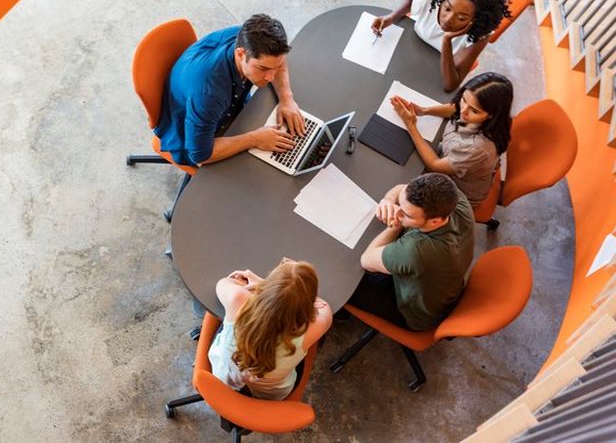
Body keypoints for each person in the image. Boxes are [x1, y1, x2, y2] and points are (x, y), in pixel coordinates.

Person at [154, 14, 306, 167]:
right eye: (263, 69)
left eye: (276, 67)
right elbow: (199, 154)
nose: (271, 77)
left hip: (224, 106)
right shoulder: (209, 94)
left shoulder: (250, 39)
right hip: (192, 134)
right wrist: (255, 139)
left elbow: (276, 60)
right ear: (240, 54)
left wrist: (287, 99)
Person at [348, 173, 474, 331]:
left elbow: (366, 260)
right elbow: (401, 189)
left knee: (344, 278)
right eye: (400, 204)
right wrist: (388, 200)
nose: (399, 212)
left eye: (406, 214)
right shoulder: (453, 198)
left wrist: (396, 223)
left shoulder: (417, 250)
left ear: (435, 221)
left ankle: (342, 314)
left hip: (413, 313)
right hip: (439, 290)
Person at [371, 0, 513, 92]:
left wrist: (447, 41)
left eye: (461, 18)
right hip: (407, 52)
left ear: (476, 19)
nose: (448, 19)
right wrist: (392, 16)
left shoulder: (479, 35)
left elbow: (450, 85)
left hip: (432, 72)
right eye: (447, 8)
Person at [208, 258, 332, 400]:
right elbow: (324, 306)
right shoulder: (315, 326)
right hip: (269, 395)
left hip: (225, 377)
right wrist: (294, 292)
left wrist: (267, 288)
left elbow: (223, 283)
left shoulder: (238, 299)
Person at [389, 72, 513, 206]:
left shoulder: (477, 148)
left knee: (396, 186)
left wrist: (411, 125)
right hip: (450, 158)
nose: (463, 111)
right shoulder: (473, 112)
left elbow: (435, 165)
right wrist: (424, 111)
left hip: (455, 192)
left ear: (492, 115)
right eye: (464, 99)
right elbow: (455, 109)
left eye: (474, 110)